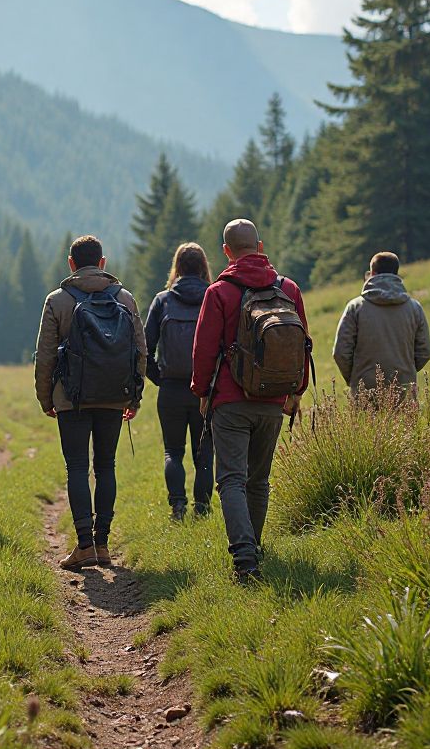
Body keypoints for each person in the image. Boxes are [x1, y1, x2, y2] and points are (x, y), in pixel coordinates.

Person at [191, 219, 310, 584]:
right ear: (259, 246)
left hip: (230, 399)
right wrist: (295, 392)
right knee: (258, 481)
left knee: (231, 479)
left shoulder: (219, 292)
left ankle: (245, 560)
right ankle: (253, 549)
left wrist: (201, 392)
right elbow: (302, 345)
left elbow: (204, 350)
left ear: (226, 250)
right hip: (274, 399)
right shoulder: (288, 288)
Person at [35, 235, 147, 571]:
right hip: (114, 396)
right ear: (103, 263)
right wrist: (134, 395)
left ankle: (83, 545)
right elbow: (140, 350)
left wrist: (46, 398)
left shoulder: (57, 300)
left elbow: (44, 357)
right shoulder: (125, 298)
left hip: (71, 398)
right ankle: (103, 544)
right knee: (106, 466)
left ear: (71, 263)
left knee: (77, 468)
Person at [145, 242, 213, 522]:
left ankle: (178, 507)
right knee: (204, 453)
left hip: (171, 388)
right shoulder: (213, 296)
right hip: (205, 391)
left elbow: (144, 347)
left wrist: (158, 378)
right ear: (203, 267)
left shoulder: (163, 300)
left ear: (178, 267)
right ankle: (203, 509)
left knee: (173, 451)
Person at [332, 251, 430, 400]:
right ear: (396, 273)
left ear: (372, 272)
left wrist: (355, 379)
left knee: (366, 425)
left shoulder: (355, 307)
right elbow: (425, 351)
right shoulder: (414, 308)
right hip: (403, 391)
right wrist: (406, 373)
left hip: (364, 392)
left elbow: (341, 352)